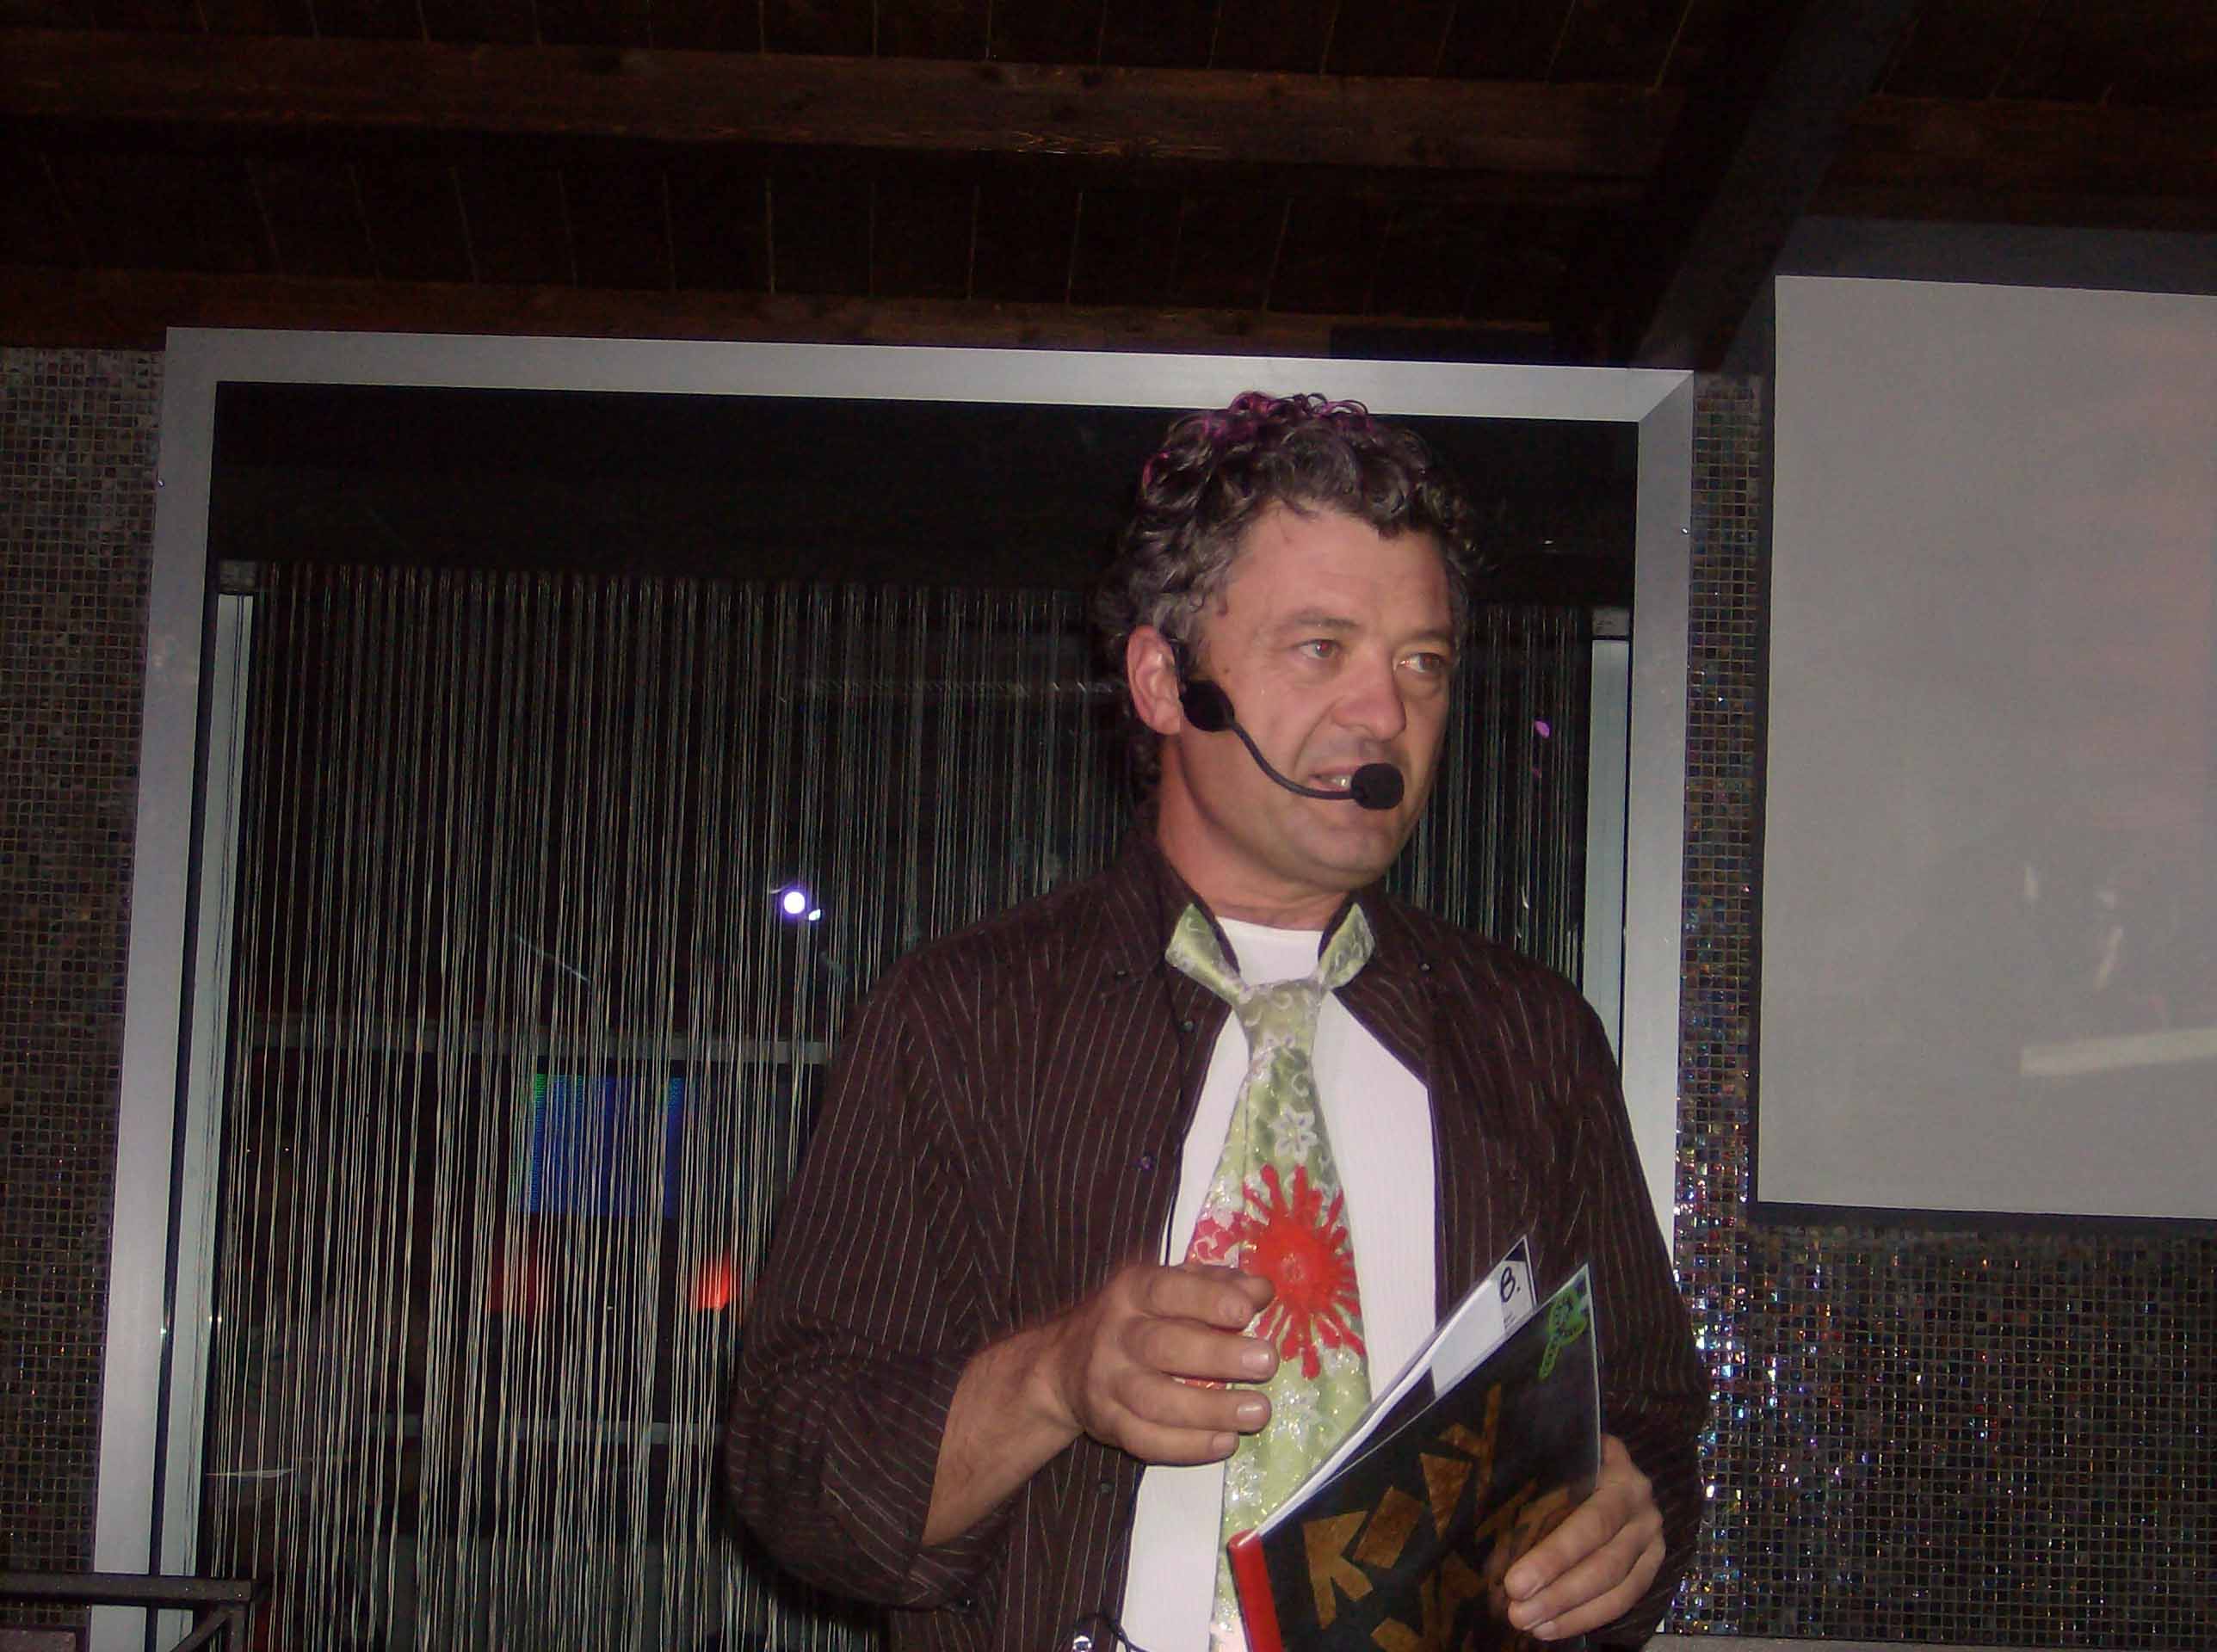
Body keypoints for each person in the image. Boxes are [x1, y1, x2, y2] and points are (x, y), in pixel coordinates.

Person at [722, 392, 1709, 1652]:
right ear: (1163, 683)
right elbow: (795, 1469)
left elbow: (1650, 1419)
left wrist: (1629, 1516)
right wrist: (1054, 1380)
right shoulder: (963, 1018)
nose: (1384, 713)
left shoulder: (1533, 1040)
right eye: (1322, 648)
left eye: (1422, 662)